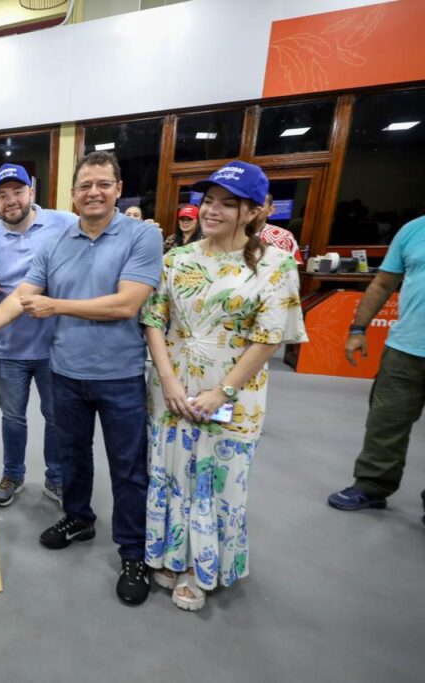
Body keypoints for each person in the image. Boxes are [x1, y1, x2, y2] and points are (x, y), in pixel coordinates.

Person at [0, 151, 162, 605]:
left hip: (119, 376)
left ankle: (133, 553)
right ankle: (78, 518)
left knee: (128, 470)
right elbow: (21, 297)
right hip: (65, 372)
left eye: (103, 184)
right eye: (85, 186)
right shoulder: (56, 244)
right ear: (74, 195)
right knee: (73, 457)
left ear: (118, 189)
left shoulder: (142, 237)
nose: (93, 193)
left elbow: (125, 304)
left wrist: (57, 306)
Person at [142, 161, 307, 612]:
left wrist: (223, 392)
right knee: (171, 470)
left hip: (232, 391)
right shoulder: (176, 258)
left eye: (227, 204)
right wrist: (170, 380)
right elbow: (154, 319)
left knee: (216, 477)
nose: (212, 211)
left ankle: (203, 567)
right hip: (170, 386)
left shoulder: (274, 266)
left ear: (253, 211)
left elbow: (268, 337)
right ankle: (171, 554)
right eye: (208, 201)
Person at [0, 163, 77, 507]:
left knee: (56, 418)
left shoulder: (64, 223)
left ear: (32, 192)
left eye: (17, 192)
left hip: (56, 347)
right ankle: (13, 474)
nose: (11, 201)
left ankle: (57, 477)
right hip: (8, 348)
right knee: (13, 418)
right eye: (2, 195)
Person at [328, 215, 425, 519]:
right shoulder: (413, 229)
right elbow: (383, 283)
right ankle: (371, 485)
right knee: (385, 421)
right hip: (406, 350)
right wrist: (358, 330)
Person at [258, 194, 304, 265]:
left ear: (270, 210)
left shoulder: (284, 237)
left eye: (259, 204)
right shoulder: (235, 232)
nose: (253, 209)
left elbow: (291, 269)